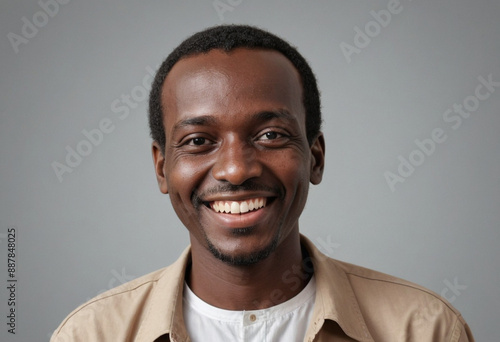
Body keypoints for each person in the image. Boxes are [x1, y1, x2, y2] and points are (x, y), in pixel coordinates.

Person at [51, 25, 474, 342]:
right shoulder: (90, 334)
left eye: (270, 135)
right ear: (162, 168)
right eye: (198, 141)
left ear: (316, 157)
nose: (236, 170)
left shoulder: (423, 328)